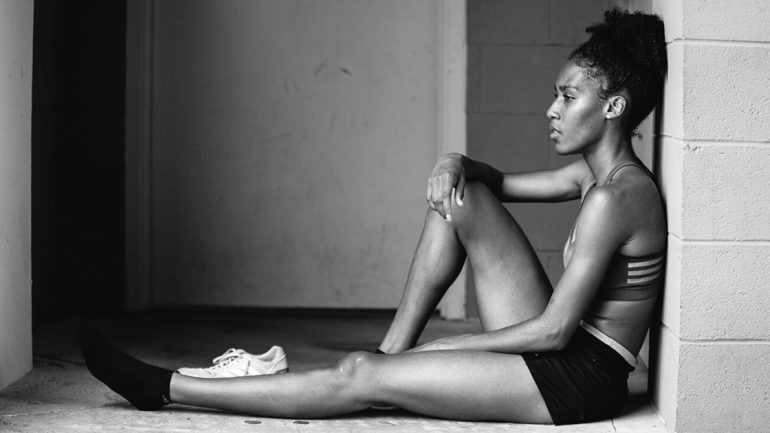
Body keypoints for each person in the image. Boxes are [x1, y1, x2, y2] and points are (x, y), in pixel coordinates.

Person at [79, 8, 667, 425]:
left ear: (613, 106)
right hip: (562, 350)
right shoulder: (591, 177)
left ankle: (166, 387)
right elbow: (495, 183)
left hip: (575, 381)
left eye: (568, 97)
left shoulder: (617, 198)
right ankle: (391, 356)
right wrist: (453, 161)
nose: (551, 109)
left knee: (357, 374)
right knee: (458, 198)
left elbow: (554, 332)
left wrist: (447, 350)